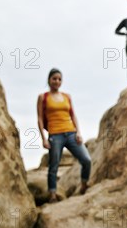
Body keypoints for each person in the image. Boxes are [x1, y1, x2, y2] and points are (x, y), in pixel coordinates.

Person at [37, 68, 92, 203]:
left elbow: (72, 115)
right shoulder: (43, 97)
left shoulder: (67, 96)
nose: (57, 81)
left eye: (59, 79)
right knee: (54, 165)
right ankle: (52, 194)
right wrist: (43, 138)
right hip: (55, 135)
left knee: (86, 160)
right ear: (49, 80)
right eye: (54, 78)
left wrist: (78, 132)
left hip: (71, 133)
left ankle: (84, 185)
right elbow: (39, 118)